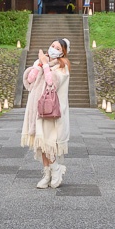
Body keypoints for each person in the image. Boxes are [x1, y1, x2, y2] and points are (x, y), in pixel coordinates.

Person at [21, 38, 70, 189]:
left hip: (50, 111)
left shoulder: (63, 68)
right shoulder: (41, 62)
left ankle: (56, 169)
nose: (53, 49)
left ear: (62, 52)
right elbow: (29, 80)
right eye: (52, 45)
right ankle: (47, 173)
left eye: (57, 47)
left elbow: (51, 83)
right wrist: (39, 65)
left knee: (48, 142)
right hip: (37, 109)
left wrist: (46, 65)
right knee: (40, 143)